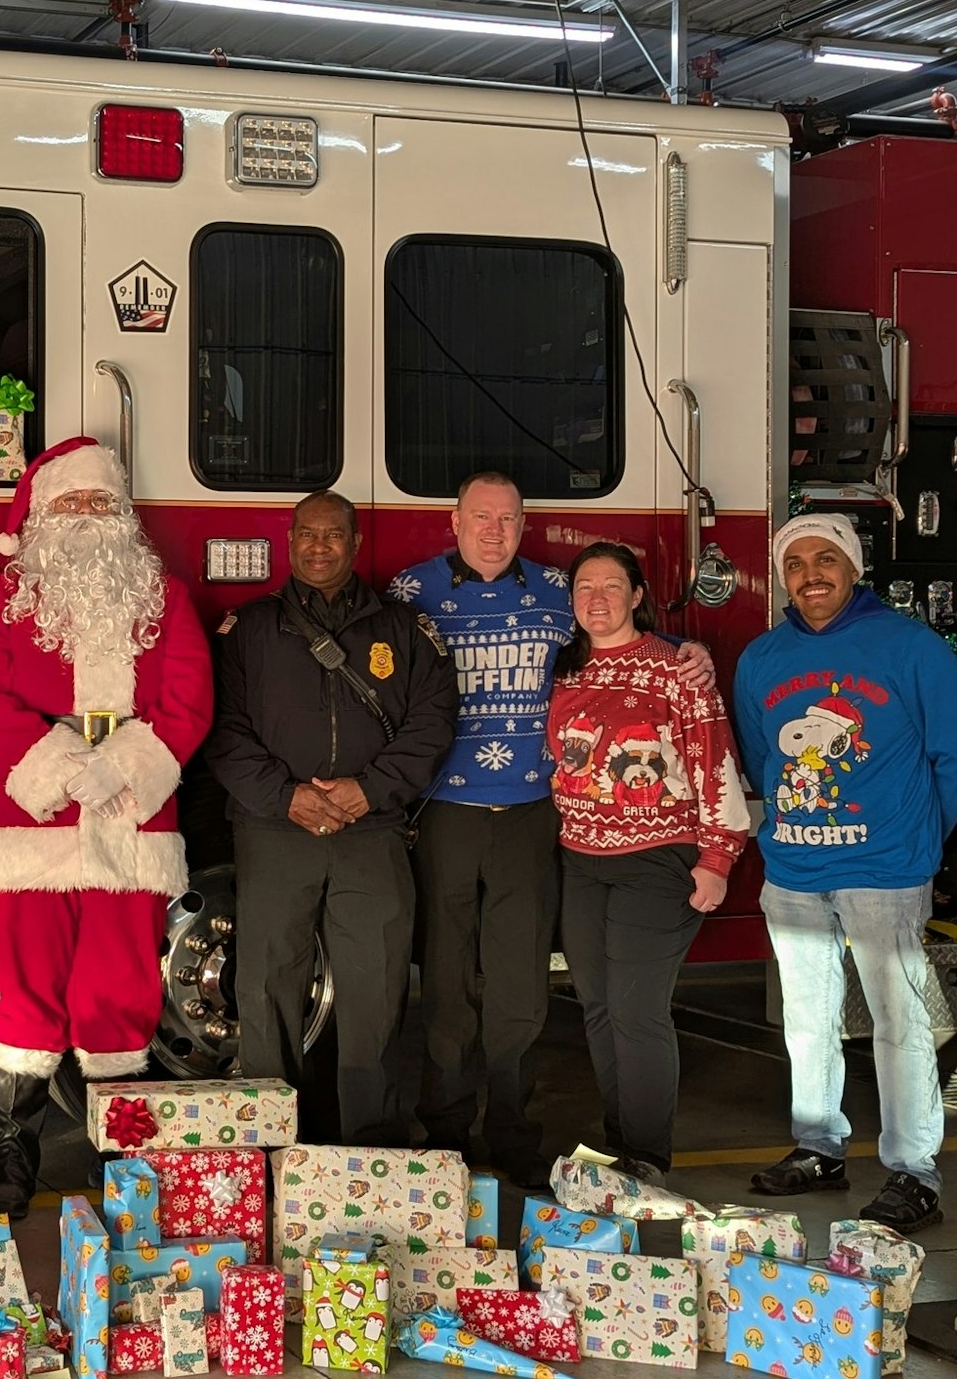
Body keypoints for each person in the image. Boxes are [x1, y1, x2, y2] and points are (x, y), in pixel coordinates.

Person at [392, 473, 715, 1186]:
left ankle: (512, 1133)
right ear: (454, 521)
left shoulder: (556, 592)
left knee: (519, 990)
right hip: (445, 812)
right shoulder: (408, 594)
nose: (494, 531)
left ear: (522, 524)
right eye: (480, 517)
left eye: (508, 518)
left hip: (535, 818)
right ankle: (444, 1132)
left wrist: (691, 652)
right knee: (446, 984)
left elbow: (622, 640)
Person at [0, 438, 212, 1217]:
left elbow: (190, 693)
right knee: (26, 989)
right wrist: (66, 766)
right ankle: (13, 1145)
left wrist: (127, 762)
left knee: (119, 987)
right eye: (70, 503)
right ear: (38, 516)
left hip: (130, 821)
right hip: (29, 825)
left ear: (124, 515)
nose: (86, 518)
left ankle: (121, 1149)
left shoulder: (163, 595)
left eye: (101, 502)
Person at [205, 490, 456, 1145]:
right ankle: (269, 1146)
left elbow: (432, 726)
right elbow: (223, 732)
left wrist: (367, 791)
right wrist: (285, 795)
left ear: (356, 544)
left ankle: (369, 1150)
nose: (320, 546)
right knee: (267, 994)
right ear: (290, 541)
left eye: (334, 535)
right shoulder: (248, 630)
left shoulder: (404, 630)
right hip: (275, 832)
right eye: (308, 534)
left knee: (374, 998)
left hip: (370, 836)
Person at [734, 513, 953, 1232]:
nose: (811, 575)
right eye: (795, 565)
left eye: (826, 559)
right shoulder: (760, 660)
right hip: (795, 868)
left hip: (884, 868)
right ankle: (818, 1145)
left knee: (898, 1022)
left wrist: (925, 835)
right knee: (806, 1020)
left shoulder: (914, 647)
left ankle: (914, 1172)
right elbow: (765, 760)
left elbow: (951, 754)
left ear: (855, 568)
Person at [547, 541, 747, 1187]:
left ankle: (649, 1157)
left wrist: (718, 857)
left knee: (637, 1010)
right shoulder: (567, 672)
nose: (597, 599)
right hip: (581, 859)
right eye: (584, 588)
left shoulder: (677, 670)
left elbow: (715, 762)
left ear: (637, 596)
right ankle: (620, 1145)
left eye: (611, 586)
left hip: (657, 860)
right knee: (599, 1006)